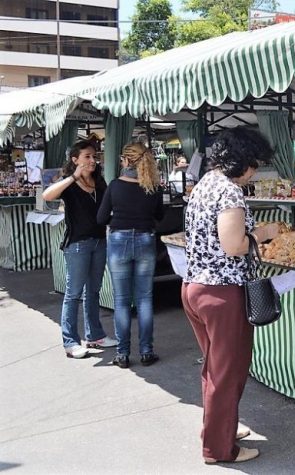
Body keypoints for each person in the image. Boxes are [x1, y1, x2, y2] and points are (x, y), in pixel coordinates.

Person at [181, 127, 281, 464]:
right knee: (228, 372)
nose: (254, 171)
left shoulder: (205, 184)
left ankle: (219, 428)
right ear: (243, 161)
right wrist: (264, 232)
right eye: (254, 164)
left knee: (214, 368)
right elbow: (234, 245)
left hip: (195, 286)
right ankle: (218, 449)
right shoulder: (230, 192)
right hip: (222, 292)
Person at [42, 140, 117, 359]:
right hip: (77, 244)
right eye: (87, 156)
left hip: (99, 241)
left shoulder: (99, 181)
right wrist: (73, 177)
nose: (93, 160)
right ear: (75, 159)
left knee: (93, 291)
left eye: (95, 156)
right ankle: (70, 342)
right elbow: (47, 196)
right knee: (73, 293)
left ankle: (95, 335)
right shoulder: (70, 183)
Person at [97, 143, 165, 368]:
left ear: (126, 161)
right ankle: (146, 351)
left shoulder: (115, 185)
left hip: (119, 240)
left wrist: (119, 220)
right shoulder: (153, 187)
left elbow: (101, 218)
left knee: (122, 300)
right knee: (145, 299)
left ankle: (122, 354)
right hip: (146, 239)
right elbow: (160, 216)